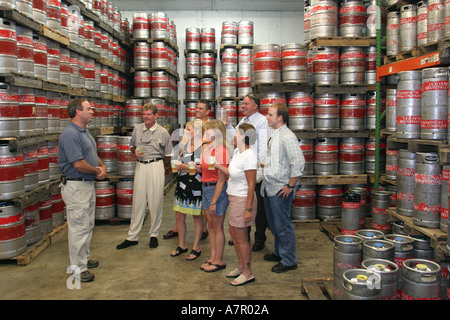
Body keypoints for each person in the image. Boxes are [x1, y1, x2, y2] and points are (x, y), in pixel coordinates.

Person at [58, 98, 107, 283]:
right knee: (78, 227)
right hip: (76, 185)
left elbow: (92, 155)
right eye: (89, 109)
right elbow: (78, 163)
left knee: (87, 225)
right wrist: (97, 172)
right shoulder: (70, 134)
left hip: (86, 184)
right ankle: (78, 268)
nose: (92, 111)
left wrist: (101, 166)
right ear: (78, 111)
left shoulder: (84, 132)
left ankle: (84, 259)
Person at [116, 103, 172, 250]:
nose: (145, 117)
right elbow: (132, 145)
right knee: (138, 201)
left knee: (155, 201)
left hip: (156, 165)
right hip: (140, 165)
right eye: (144, 114)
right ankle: (132, 236)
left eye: (148, 114)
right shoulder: (137, 129)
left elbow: (168, 155)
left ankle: (154, 235)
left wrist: (159, 163)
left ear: (156, 116)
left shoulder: (163, 132)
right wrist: (135, 151)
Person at [262, 103, 305, 273]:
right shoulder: (275, 135)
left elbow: (299, 163)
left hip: (281, 189)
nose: (267, 117)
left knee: (283, 225)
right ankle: (279, 252)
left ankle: (289, 260)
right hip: (270, 187)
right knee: (274, 224)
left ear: (280, 117)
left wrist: (290, 185)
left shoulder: (288, 137)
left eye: (270, 114)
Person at [215, 123, 258, 286]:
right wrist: (219, 166)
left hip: (242, 201)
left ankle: (248, 272)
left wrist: (248, 208)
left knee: (241, 238)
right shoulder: (237, 152)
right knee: (233, 234)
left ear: (242, 136)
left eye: (236, 133)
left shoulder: (249, 156)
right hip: (234, 198)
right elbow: (232, 175)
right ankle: (241, 267)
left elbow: (251, 184)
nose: (232, 136)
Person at [163, 100, 211, 240]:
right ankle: (177, 228)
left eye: (201, 108)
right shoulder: (191, 126)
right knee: (180, 204)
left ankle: (203, 228)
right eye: (196, 108)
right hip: (186, 170)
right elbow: (183, 143)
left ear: (208, 111)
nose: (197, 110)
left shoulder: (209, 128)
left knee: (201, 204)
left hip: (199, 170)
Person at [170, 119, 204, 261]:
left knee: (197, 217)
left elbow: (203, 168)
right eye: (185, 129)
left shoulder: (203, 147)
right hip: (182, 183)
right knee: (179, 217)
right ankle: (182, 244)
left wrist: (185, 167)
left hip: (196, 185)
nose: (185, 132)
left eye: (188, 129)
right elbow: (176, 160)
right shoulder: (183, 146)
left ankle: (196, 247)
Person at [199, 119, 230, 272]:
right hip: (205, 188)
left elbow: (221, 179)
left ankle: (219, 260)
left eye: (208, 130)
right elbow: (204, 169)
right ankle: (212, 256)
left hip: (216, 191)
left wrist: (214, 201)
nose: (205, 133)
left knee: (217, 227)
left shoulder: (221, 151)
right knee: (210, 226)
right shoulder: (208, 148)